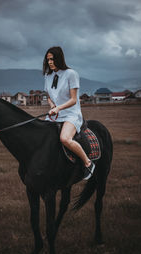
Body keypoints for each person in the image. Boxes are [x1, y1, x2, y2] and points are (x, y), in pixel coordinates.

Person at [43, 46, 95, 180]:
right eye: (48, 59)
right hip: (55, 114)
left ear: (59, 59)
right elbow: (48, 96)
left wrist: (58, 108)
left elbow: (73, 100)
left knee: (64, 138)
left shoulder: (71, 74)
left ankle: (88, 163)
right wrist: (52, 106)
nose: (50, 62)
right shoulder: (47, 76)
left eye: (52, 59)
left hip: (71, 114)